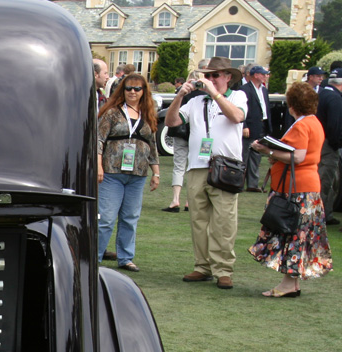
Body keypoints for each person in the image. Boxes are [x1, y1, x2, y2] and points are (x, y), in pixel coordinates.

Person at [164, 56, 247, 290]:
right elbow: (172, 122)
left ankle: (223, 269)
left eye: (215, 75)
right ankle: (202, 266)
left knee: (224, 221)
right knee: (198, 220)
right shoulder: (196, 101)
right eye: (207, 76)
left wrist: (215, 94)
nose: (210, 80)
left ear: (228, 77)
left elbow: (237, 116)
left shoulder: (238, 96)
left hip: (226, 166)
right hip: (198, 166)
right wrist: (180, 96)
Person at [249, 82, 332, 296]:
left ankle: (288, 284)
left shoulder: (302, 125)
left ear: (292, 105)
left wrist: (267, 151)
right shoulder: (314, 122)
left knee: (292, 233)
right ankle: (292, 283)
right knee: (300, 234)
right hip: (307, 186)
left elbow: (298, 156)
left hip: (297, 189)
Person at [96, 74, 160, 272]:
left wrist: (156, 173)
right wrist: (98, 166)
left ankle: (125, 258)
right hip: (112, 173)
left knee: (130, 217)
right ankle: (94, 256)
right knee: (106, 218)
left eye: (137, 88)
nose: (133, 92)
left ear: (144, 92)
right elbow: (99, 140)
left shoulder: (148, 114)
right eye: (129, 88)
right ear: (122, 90)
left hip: (137, 174)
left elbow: (152, 145)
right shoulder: (112, 112)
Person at [164, 63, 208, 213]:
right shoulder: (205, 97)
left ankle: (176, 199)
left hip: (181, 134)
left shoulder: (183, 94)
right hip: (199, 136)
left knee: (179, 166)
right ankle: (190, 200)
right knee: (195, 166)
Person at [313, 69, 342, 228]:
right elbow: (334, 125)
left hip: (318, 140)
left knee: (322, 179)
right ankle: (320, 215)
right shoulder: (335, 98)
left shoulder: (322, 94)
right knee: (325, 180)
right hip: (328, 144)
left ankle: (326, 213)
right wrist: (336, 143)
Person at [241, 65, 271, 192]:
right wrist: (244, 125)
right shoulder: (245, 89)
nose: (266, 76)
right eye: (263, 74)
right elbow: (241, 109)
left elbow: (266, 108)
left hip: (261, 125)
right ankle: (239, 183)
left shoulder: (263, 90)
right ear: (256, 75)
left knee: (256, 156)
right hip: (249, 126)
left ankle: (253, 184)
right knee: (243, 156)